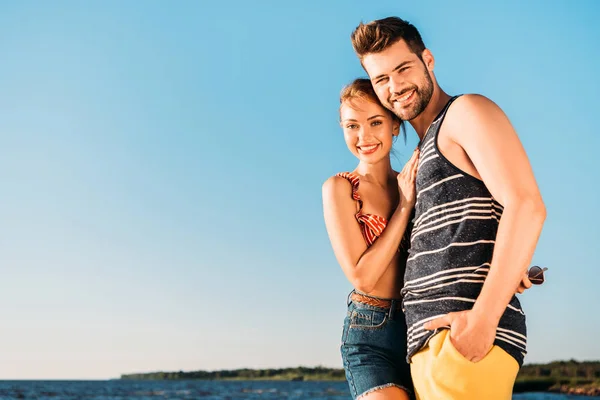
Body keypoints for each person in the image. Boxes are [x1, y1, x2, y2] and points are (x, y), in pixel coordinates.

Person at [350, 17, 547, 400]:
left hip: (465, 346)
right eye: (381, 79)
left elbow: (525, 205)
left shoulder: (465, 112)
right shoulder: (426, 148)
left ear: (428, 60)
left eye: (403, 68)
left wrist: (483, 321)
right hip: (435, 351)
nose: (395, 87)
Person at [322, 78, 419, 400]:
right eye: (352, 125)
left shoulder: (416, 181)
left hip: (425, 323)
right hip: (371, 332)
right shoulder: (340, 188)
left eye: (375, 122)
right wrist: (404, 206)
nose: (363, 136)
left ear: (395, 124)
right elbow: (363, 277)